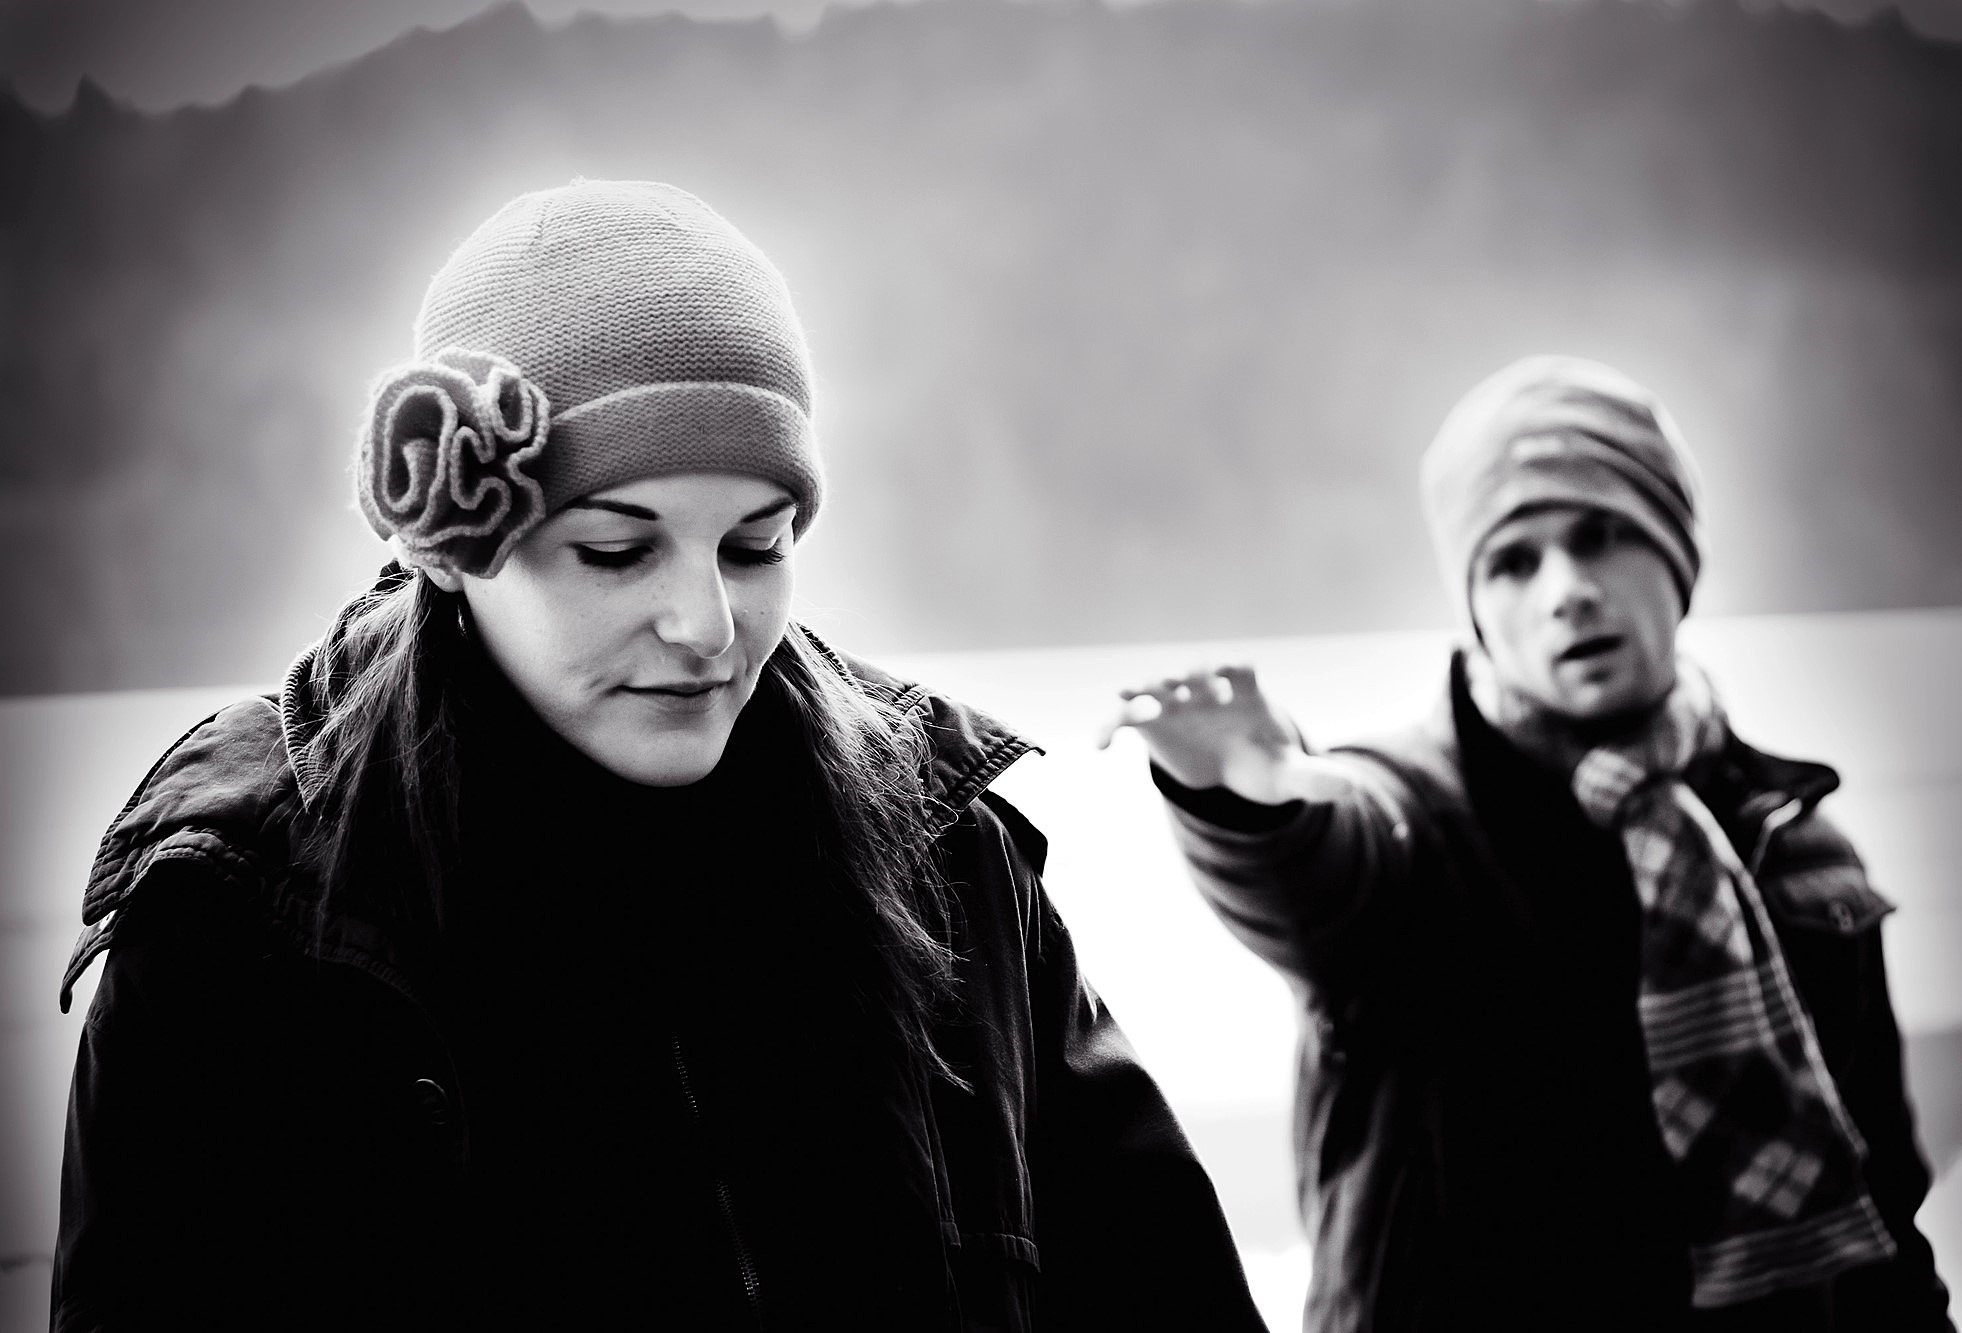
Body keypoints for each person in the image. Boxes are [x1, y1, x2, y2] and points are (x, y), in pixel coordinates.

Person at [51, 179, 1266, 1332]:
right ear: (458, 545)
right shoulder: (243, 918)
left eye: (753, 547)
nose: (704, 625)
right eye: (617, 552)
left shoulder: (945, 860)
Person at [1106, 356, 1953, 1331]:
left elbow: (1878, 1196)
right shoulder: (1402, 812)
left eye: (1599, 538)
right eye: (1513, 560)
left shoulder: (1791, 840)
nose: (1566, 590)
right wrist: (1239, 801)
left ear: (1677, 561)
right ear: (1475, 606)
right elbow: (1314, 877)